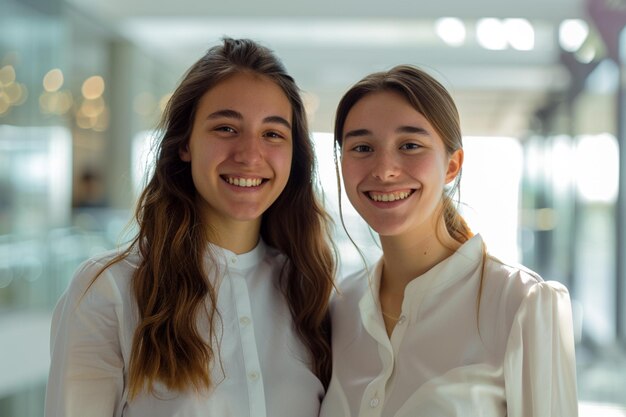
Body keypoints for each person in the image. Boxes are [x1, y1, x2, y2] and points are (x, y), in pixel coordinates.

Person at [45, 38, 335, 417]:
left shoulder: (312, 291)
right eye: (226, 128)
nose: (249, 155)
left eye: (272, 134)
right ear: (185, 144)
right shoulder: (108, 291)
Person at [319, 65, 578, 417]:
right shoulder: (341, 307)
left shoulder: (520, 303)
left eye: (410, 145)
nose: (383, 169)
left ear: (452, 165)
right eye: (362, 148)